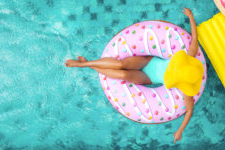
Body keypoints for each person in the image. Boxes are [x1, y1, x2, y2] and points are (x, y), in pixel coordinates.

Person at [65, 8, 203, 144]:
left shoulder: (187, 89)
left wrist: (180, 130)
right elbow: (194, 38)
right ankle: (84, 64)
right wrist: (191, 16)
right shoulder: (190, 57)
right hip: (148, 61)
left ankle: (87, 65)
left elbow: (189, 111)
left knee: (123, 74)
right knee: (120, 65)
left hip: (148, 78)